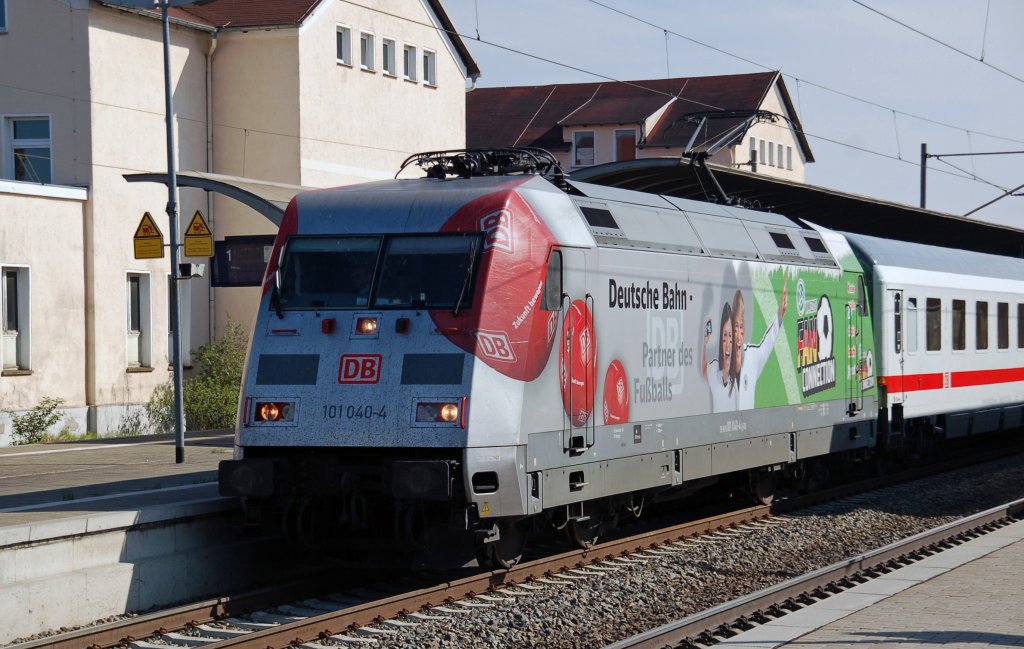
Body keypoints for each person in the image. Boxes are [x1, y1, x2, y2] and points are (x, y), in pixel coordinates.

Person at [732, 269, 788, 410]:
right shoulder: (722, 366)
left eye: (741, 328)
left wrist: (780, 314)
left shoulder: (752, 356)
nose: (738, 334)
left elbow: (768, 342)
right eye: (734, 329)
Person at [702, 302, 737, 413]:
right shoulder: (714, 370)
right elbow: (703, 369)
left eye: (730, 336)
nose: (727, 343)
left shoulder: (738, 377)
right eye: (725, 335)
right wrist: (705, 343)